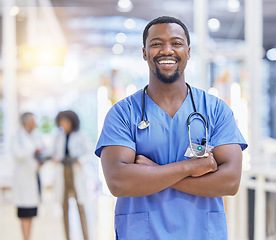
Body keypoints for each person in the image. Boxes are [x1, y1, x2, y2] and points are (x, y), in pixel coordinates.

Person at [95, 16, 248, 240]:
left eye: (176, 43)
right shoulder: (122, 113)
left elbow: (230, 181)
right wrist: (190, 168)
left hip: (202, 233)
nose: (167, 50)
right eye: (156, 43)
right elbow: (119, 182)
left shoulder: (215, 110)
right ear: (145, 52)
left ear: (188, 51)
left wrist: (152, 171)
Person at [53, 110, 90, 240]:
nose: (63, 124)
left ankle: (86, 236)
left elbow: (88, 152)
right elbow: (55, 153)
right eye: (61, 121)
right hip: (63, 171)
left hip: (75, 171)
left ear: (72, 121)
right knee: (64, 207)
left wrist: (80, 160)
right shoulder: (59, 136)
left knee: (80, 206)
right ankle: (67, 237)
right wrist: (56, 158)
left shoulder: (81, 135)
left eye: (65, 121)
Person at [11, 112, 45, 240]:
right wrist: (33, 150)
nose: (35, 124)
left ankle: (28, 237)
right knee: (24, 213)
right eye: (33, 121)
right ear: (27, 122)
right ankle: (25, 238)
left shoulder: (34, 136)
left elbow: (41, 148)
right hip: (22, 181)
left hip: (33, 177)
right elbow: (18, 154)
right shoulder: (17, 136)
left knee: (31, 212)